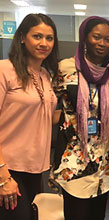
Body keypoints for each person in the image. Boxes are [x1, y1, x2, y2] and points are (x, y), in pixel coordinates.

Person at [51, 16, 109, 220]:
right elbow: (45, 104)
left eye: (108, 39)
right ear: (84, 38)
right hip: (73, 158)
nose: (102, 43)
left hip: (103, 160)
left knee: (98, 215)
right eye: (96, 37)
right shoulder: (64, 68)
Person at [0, 13, 58, 220]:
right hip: (8, 167)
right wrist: (3, 177)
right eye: (37, 36)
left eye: (49, 38)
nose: (44, 43)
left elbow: (44, 116)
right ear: (22, 38)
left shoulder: (44, 75)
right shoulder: (4, 69)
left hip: (34, 167)